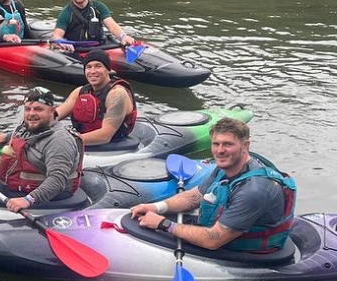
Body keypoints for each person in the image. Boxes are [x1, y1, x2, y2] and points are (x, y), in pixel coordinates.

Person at [130, 118, 297, 252]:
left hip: (246, 252)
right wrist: (156, 207)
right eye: (216, 144)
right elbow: (193, 197)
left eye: (228, 144)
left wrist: (163, 224)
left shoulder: (254, 191)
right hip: (224, 231)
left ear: (245, 145)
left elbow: (212, 240)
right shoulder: (226, 167)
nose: (219, 150)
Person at [0, 87, 84, 213]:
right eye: (27, 109)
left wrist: (28, 200)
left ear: (52, 111)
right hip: (16, 185)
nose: (31, 113)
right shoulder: (33, 126)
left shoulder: (59, 141)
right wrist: (5, 137)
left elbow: (57, 180)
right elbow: (24, 134)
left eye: (38, 109)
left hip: (46, 198)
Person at [56, 49, 137, 145]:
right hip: (81, 139)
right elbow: (55, 115)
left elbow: (105, 136)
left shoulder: (117, 94)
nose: (93, 71)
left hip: (110, 147)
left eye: (98, 66)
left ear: (108, 70)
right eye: (88, 67)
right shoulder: (80, 92)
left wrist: (65, 142)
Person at [50, 0, 136, 51]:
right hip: (76, 49)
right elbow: (56, 36)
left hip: (100, 46)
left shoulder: (99, 7)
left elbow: (112, 26)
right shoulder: (66, 13)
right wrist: (61, 42)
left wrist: (123, 36)